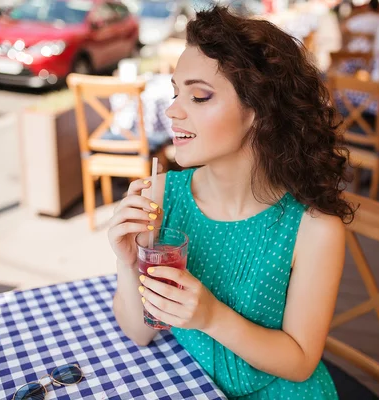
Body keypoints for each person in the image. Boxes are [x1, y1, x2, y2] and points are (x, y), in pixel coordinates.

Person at [108, 5, 354, 400]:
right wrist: (127, 260)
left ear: (259, 111)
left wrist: (210, 316)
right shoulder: (158, 195)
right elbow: (140, 332)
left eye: (199, 96)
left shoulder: (313, 227)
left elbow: (301, 361)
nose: (172, 110)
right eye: (175, 92)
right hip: (191, 384)